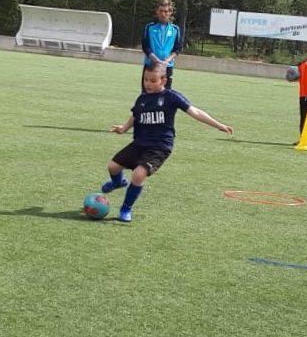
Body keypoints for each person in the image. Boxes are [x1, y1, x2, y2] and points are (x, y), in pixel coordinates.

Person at [100, 64, 233, 222]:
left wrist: (218, 125)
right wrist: (123, 128)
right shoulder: (142, 98)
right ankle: (118, 182)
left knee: (139, 174)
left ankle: (126, 209)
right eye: (145, 80)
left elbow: (195, 111)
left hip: (160, 146)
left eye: (153, 80)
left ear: (163, 80)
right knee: (112, 167)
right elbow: (135, 116)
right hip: (139, 143)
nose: (148, 83)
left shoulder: (171, 97)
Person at [141, 0, 182, 90]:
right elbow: (145, 46)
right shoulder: (150, 27)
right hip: (151, 65)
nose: (163, 14)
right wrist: (156, 61)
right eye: (161, 11)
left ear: (170, 12)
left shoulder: (175, 29)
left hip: (167, 67)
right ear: (157, 12)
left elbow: (177, 48)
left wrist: (166, 61)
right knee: (147, 92)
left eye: (166, 11)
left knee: (166, 94)